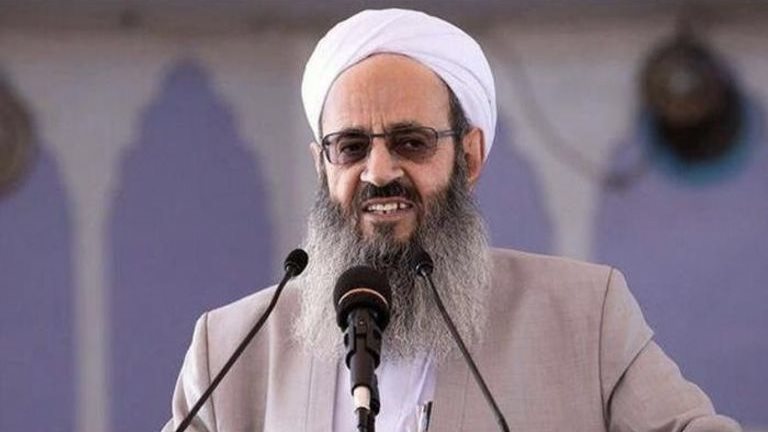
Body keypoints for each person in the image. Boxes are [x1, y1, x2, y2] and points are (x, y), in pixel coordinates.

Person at [163, 8, 740, 432]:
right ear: (323, 166)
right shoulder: (232, 350)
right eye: (351, 147)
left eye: (411, 142)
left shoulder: (585, 318)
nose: (378, 172)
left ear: (469, 157)